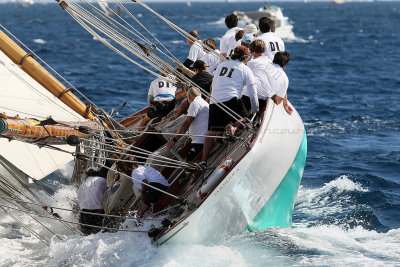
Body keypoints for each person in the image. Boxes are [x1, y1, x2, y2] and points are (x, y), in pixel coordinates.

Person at [200, 46, 259, 167]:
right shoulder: (245, 69)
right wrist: (255, 110)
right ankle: (233, 129)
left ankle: (203, 160)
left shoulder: (222, 66)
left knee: (211, 132)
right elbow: (253, 92)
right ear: (245, 58)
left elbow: (212, 86)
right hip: (232, 100)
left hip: (215, 102)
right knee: (244, 119)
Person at [243, 43, 292, 116]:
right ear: (285, 66)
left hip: (245, 93)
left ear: (274, 59)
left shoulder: (261, 63)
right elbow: (277, 101)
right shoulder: (285, 78)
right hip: (260, 101)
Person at [166, 87, 209, 162]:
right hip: (203, 139)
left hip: (199, 141)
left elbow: (186, 124)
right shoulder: (203, 102)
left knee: (189, 167)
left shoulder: (195, 103)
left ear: (188, 97)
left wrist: (174, 140)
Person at [77, 167, 107, 235]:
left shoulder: (82, 185)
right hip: (97, 213)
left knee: (87, 235)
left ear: (87, 174)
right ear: (97, 173)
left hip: (84, 214)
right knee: (98, 234)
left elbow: (80, 201)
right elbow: (108, 192)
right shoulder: (102, 180)